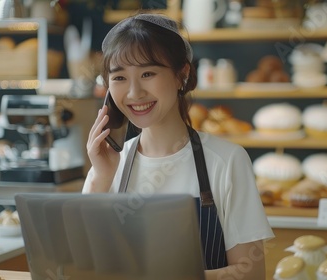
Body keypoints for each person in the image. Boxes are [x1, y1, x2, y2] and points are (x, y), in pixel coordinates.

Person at [83, 13, 274, 279]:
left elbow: (251, 272)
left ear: (181, 74)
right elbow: (81, 266)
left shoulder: (226, 160)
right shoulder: (108, 165)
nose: (134, 92)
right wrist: (100, 179)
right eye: (119, 78)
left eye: (148, 73)